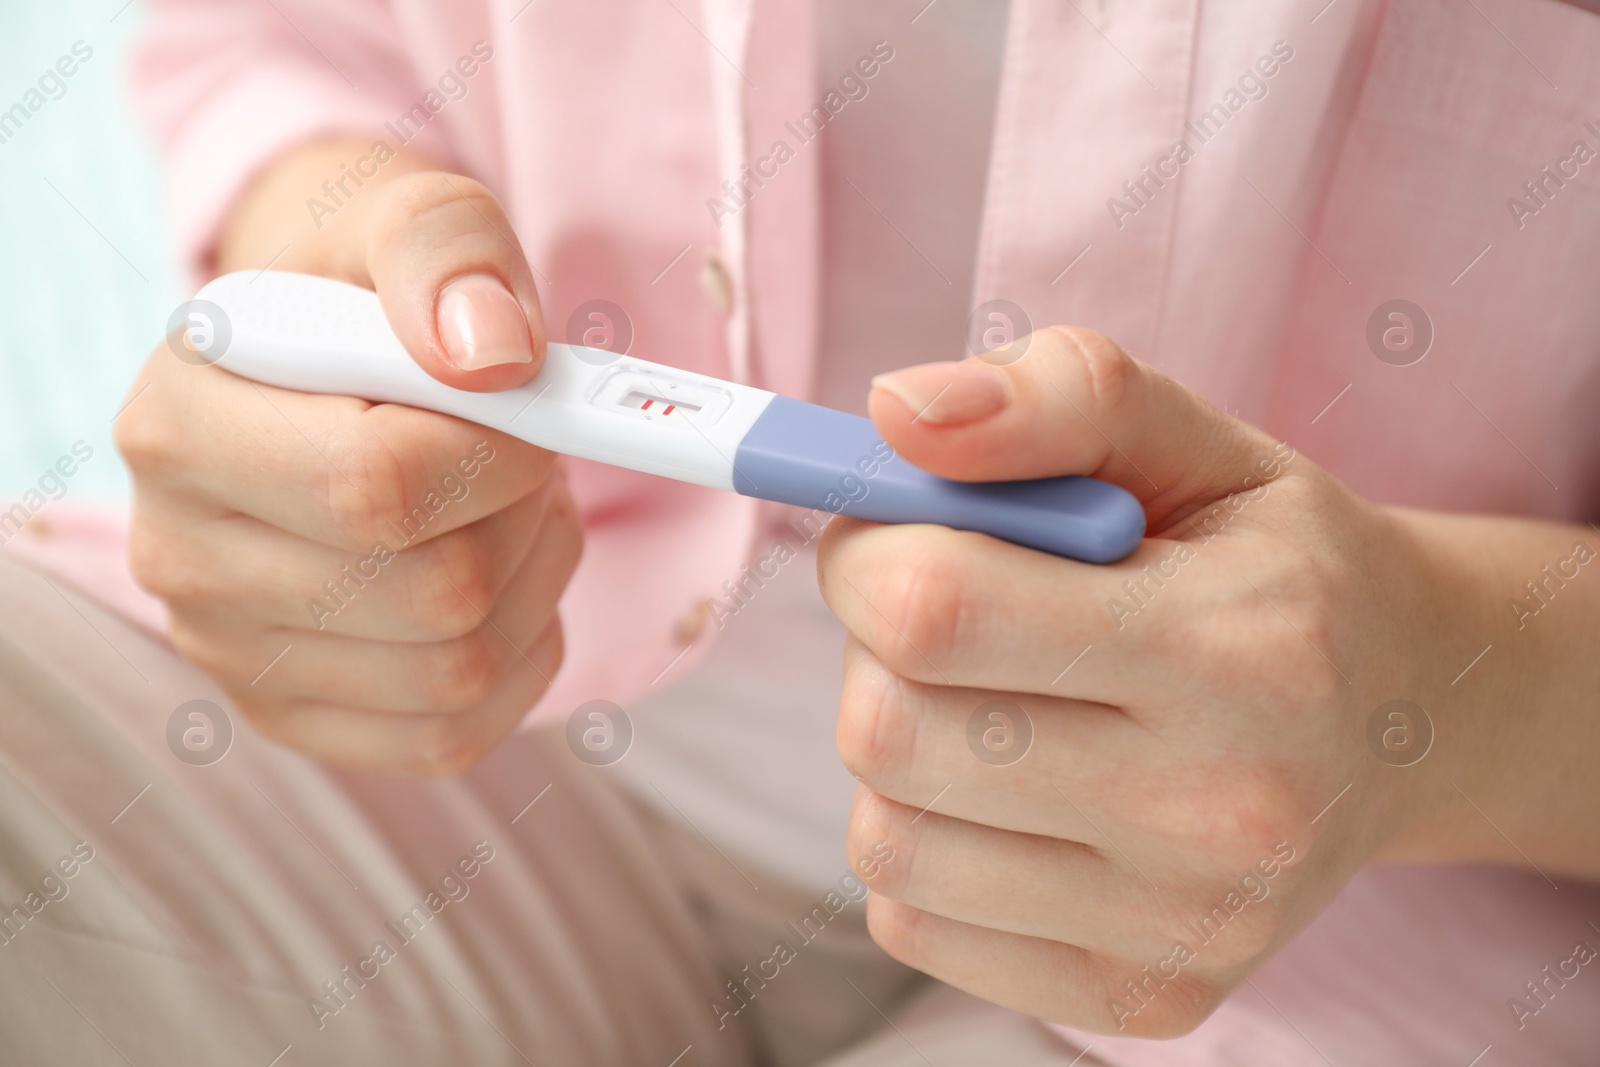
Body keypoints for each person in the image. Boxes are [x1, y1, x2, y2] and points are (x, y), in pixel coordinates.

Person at [3, 1, 1600, 1063]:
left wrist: (1440, 688)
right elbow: (279, 44)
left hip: (1348, 938)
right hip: (500, 751)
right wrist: (331, 243)